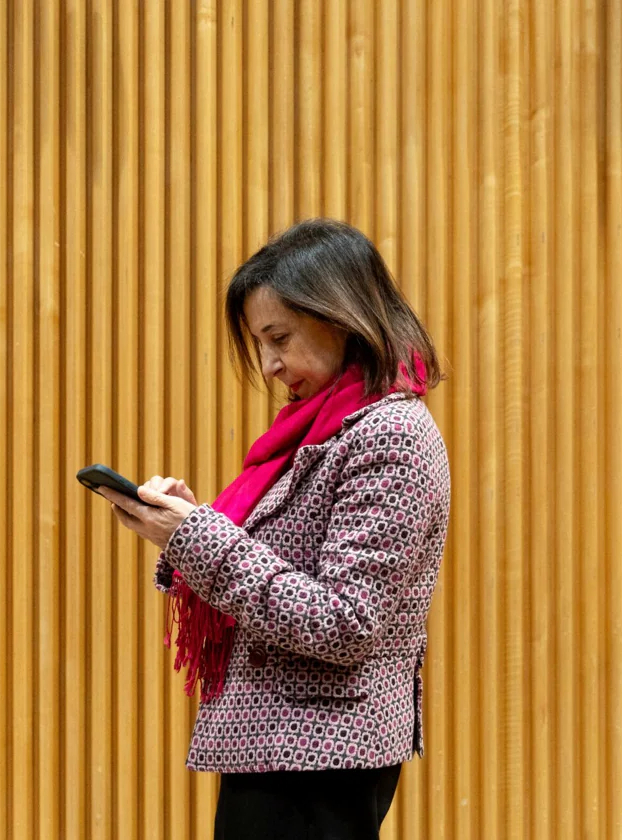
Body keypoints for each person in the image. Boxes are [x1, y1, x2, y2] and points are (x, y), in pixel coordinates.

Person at [98, 218, 450, 840]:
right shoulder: (329, 426)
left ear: (339, 317)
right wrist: (188, 526)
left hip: (323, 752)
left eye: (278, 338)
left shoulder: (389, 433)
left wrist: (201, 539)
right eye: (261, 343)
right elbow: (290, 566)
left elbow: (345, 623)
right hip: (289, 747)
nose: (268, 365)